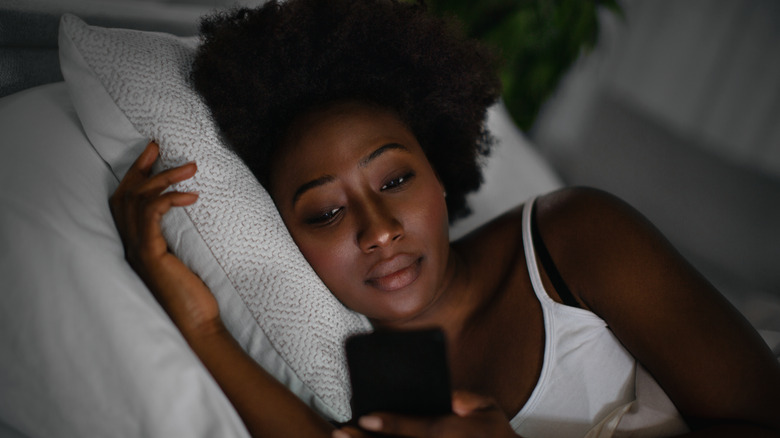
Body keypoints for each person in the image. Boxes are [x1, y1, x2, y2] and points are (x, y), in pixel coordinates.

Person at [109, 0, 780, 437]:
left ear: (438, 169)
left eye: (395, 178)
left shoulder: (575, 238)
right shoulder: (371, 370)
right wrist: (199, 323)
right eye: (327, 211)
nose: (377, 230)